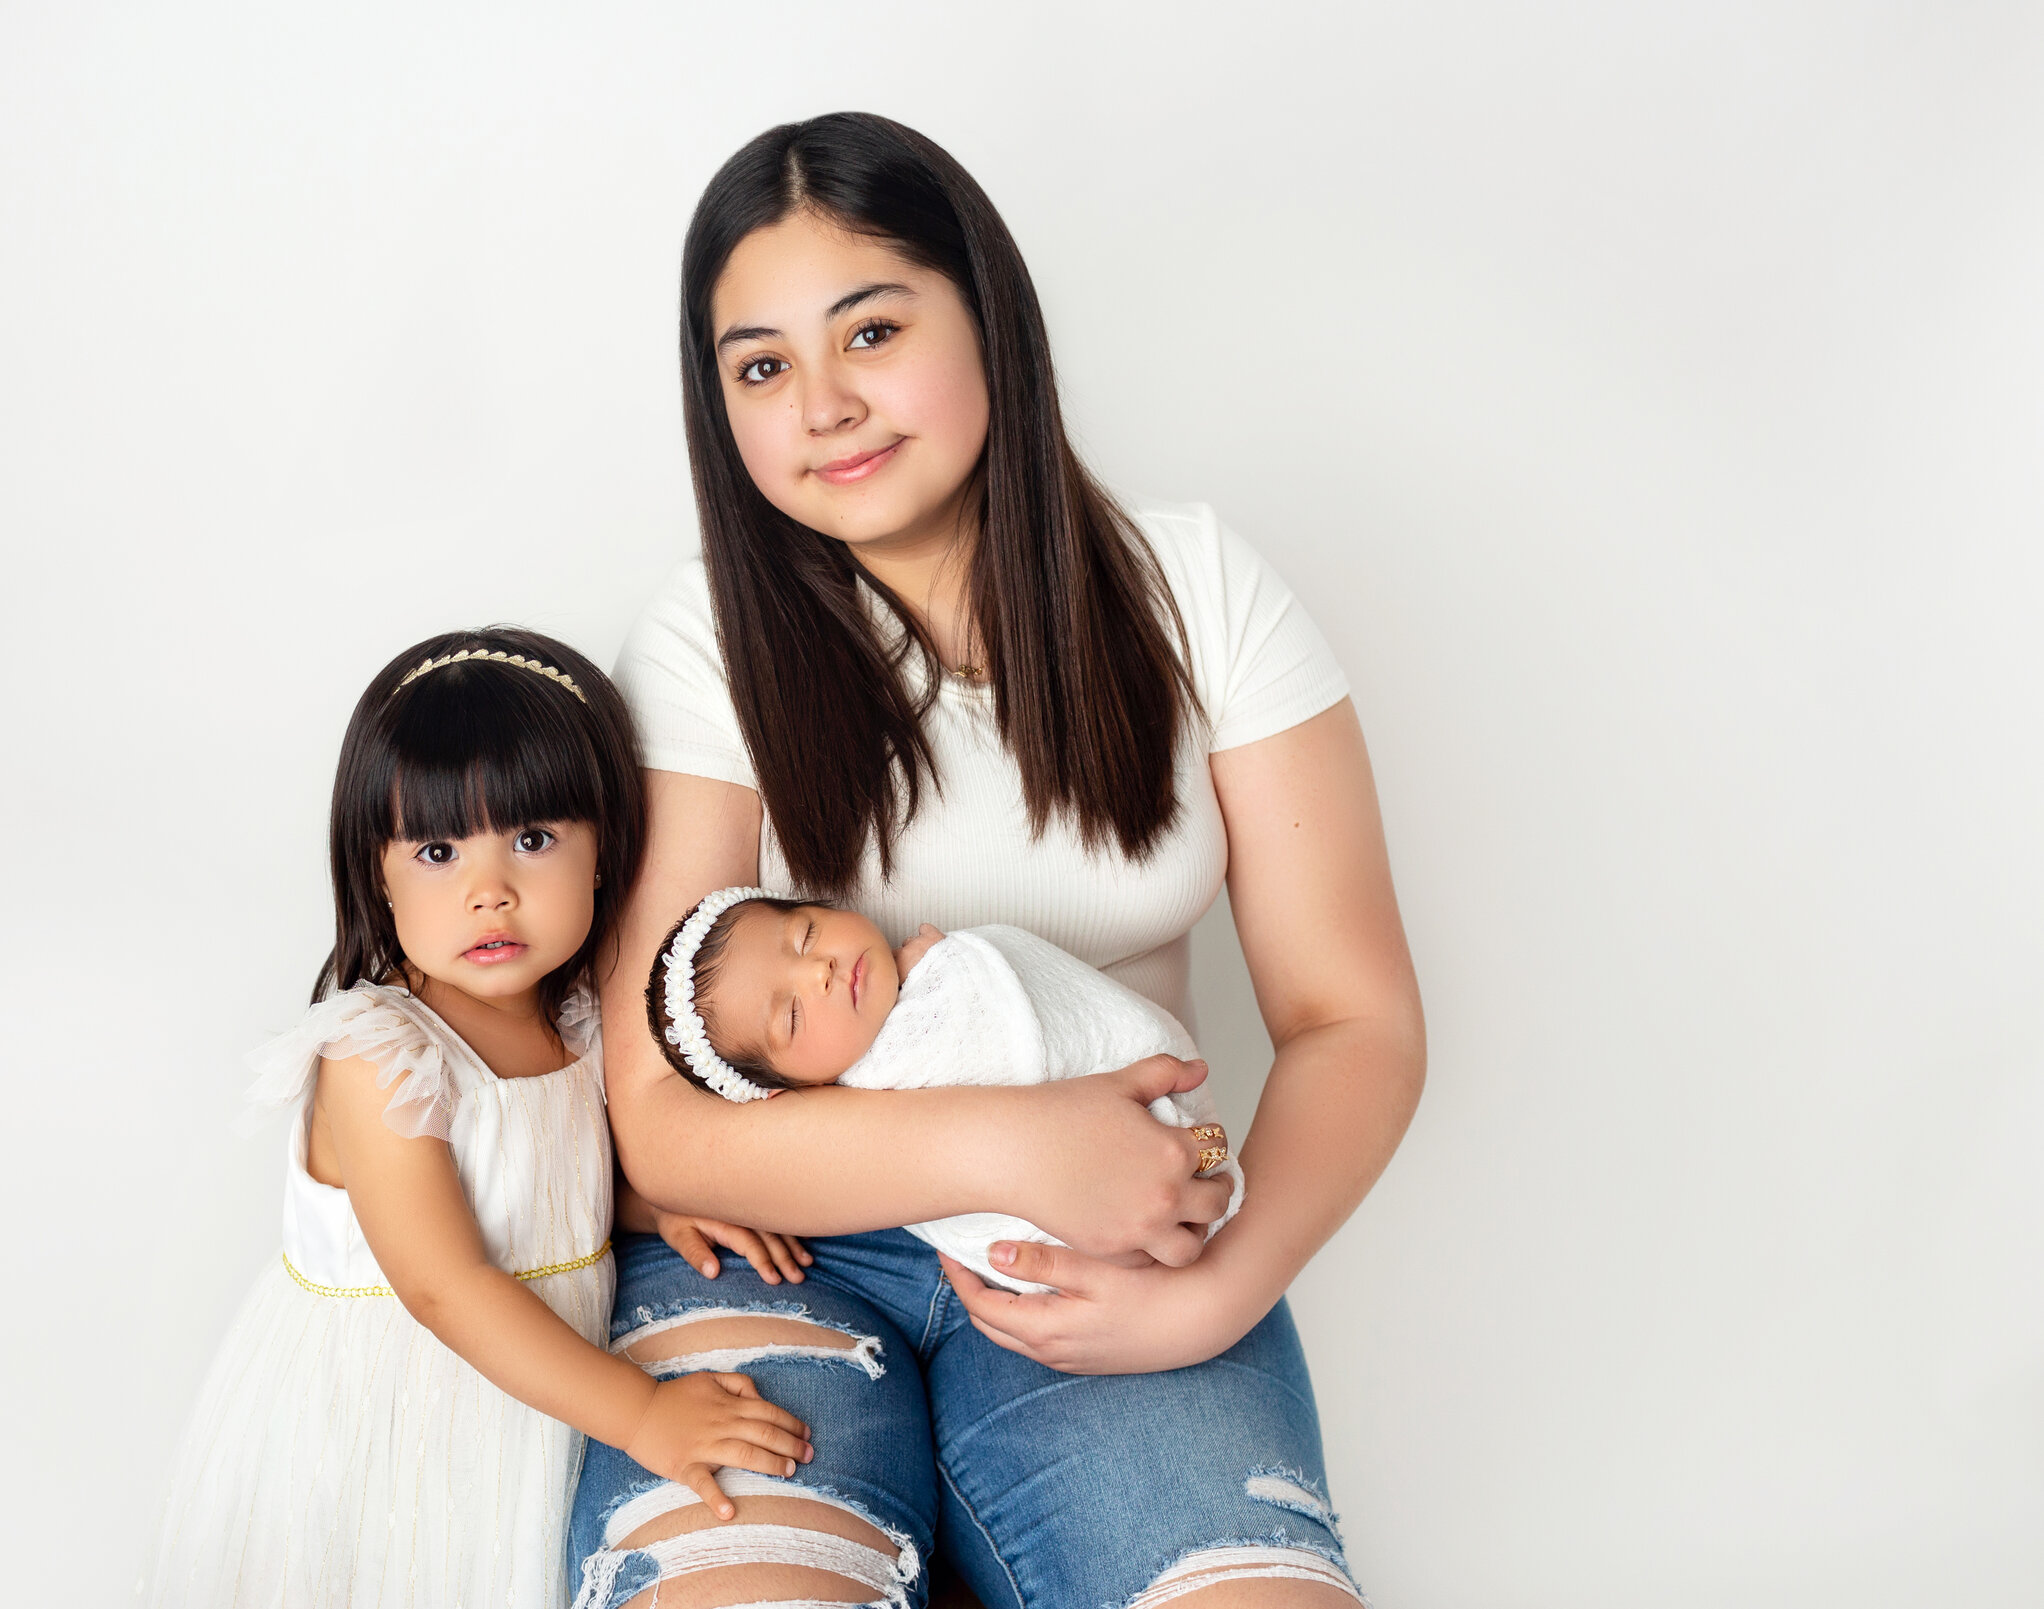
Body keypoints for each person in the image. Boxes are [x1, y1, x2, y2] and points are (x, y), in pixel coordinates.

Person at [569, 114, 1425, 1609]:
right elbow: (659, 1121)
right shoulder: (706, 640)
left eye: (873, 330)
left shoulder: (1200, 590)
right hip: (780, 1254)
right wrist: (1008, 1143)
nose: (824, 405)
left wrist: (1217, 1290)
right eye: (761, 367)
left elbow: (1354, 1016)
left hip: (1114, 1250)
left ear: (989, 313)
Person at [143, 628, 814, 1609]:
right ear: (378, 872)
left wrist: (650, 1205)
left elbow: (545, 1175)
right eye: (438, 848)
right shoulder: (381, 1055)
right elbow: (445, 1285)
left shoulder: (580, 1023)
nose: (488, 887)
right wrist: (642, 1414)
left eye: (533, 840)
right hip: (388, 1419)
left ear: (601, 856)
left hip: (524, 1410)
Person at [642, 887, 1244, 1293]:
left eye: (804, 936)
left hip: (1165, 1123)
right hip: (1066, 1248)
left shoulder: (927, 973)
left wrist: (938, 973)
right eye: (792, 1017)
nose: (818, 970)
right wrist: (944, 982)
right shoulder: (870, 1092)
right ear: (787, 1091)